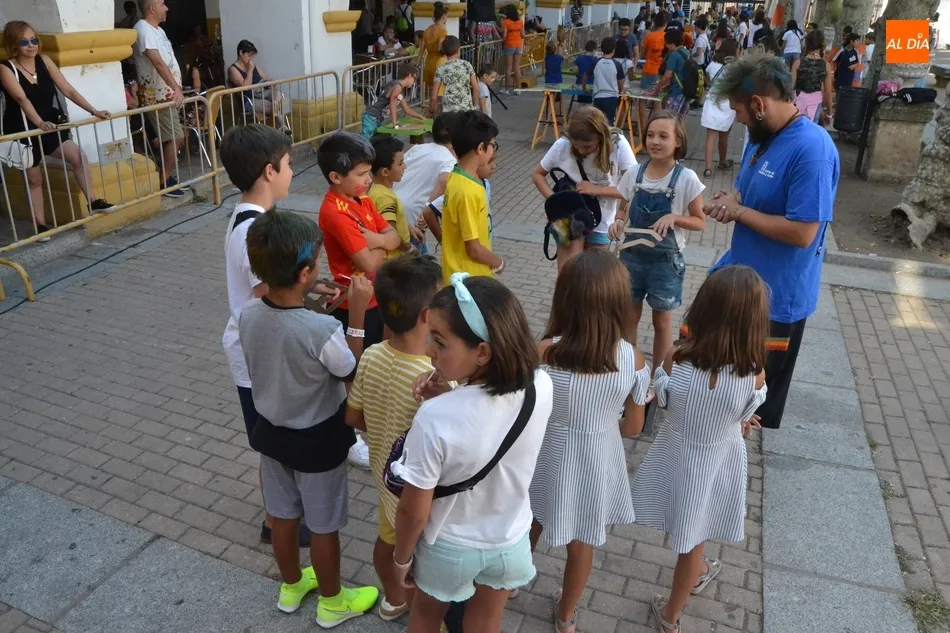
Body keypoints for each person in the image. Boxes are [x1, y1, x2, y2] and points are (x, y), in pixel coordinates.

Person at [239, 210, 379, 628]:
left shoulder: (248, 314)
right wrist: (356, 316)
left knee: (282, 516)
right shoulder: (321, 329)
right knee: (322, 525)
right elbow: (349, 369)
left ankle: (292, 584)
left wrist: (308, 299)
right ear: (304, 273)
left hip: (271, 435)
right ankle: (333, 602)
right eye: (316, 263)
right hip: (317, 442)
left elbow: (282, 331)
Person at [391, 274, 554, 633]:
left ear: (482, 352)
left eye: (440, 342)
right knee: (485, 621)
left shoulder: (435, 417)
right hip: (510, 539)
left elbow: (413, 512)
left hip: (450, 546)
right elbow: (489, 421)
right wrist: (452, 393)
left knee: (425, 618)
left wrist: (401, 560)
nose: (428, 351)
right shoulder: (541, 385)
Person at [704, 52, 838, 430]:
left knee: (750, 408)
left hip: (776, 301)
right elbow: (746, 193)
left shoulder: (811, 151)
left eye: (739, 112)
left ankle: (734, 459)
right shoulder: (760, 137)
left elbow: (803, 233)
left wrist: (740, 212)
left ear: (759, 105)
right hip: (741, 283)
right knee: (721, 388)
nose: (738, 120)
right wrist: (731, 202)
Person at [632, 265, 768, 633]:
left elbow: (664, 401)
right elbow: (744, 413)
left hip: (676, 454)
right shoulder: (753, 373)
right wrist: (740, 421)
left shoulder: (676, 358)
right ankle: (671, 615)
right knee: (693, 540)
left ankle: (694, 577)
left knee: (691, 528)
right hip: (718, 459)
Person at [220, 124, 331, 548]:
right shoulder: (252, 230)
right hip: (257, 352)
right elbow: (268, 293)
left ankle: (280, 514)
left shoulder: (253, 218)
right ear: (269, 171)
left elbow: (275, 286)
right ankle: (274, 521)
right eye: (287, 164)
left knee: (273, 437)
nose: (291, 171)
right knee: (270, 440)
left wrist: (313, 287)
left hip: (259, 345)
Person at [529, 251, 650, 633]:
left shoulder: (544, 351)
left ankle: (509, 582)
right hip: (598, 458)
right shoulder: (632, 358)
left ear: (564, 298)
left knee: (528, 519)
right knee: (582, 542)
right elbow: (633, 427)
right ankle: (566, 615)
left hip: (545, 453)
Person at [345, 254, 442, 623]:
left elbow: (353, 417)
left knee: (387, 543)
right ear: (427, 315)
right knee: (419, 560)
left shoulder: (372, 356)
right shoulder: (433, 377)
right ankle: (420, 614)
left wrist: (382, 424)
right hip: (418, 494)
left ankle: (392, 598)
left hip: (384, 480)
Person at [0, 20, 116, 236]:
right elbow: (21, 98)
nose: (31, 45)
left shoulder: (44, 61)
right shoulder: (6, 68)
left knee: (78, 156)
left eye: (34, 40)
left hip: (51, 124)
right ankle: (40, 225)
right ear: (13, 44)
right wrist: (39, 123)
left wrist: (94, 110)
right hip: (24, 129)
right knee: (34, 179)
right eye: (24, 42)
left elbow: (68, 90)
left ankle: (92, 201)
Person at [610, 111, 705, 372]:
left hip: (665, 262)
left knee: (661, 322)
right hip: (630, 258)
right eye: (650, 135)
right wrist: (618, 222)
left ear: (678, 141)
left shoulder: (687, 178)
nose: (655, 141)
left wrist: (675, 217)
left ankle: (658, 377)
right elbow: (622, 209)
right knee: (628, 318)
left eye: (663, 136)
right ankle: (627, 372)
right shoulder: (634, 173)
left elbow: (700, 221)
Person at [316, 132, 401, 349]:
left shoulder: (361, 198)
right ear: (336, 177)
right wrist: (384, 241)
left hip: (374, 294)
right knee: (357, 361)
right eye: (361, 174)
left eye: (368, 172)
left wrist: (374, 240)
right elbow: (369, 263)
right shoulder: (336, 213)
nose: (369, 179)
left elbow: (396, 236)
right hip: (353, 304)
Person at [531, 106, 635, 271]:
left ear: (601, 138)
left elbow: (633, 186)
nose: (580, 150)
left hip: (602, 222)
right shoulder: (563, 144)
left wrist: (597, 190)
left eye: (587, 146)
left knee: (593, 278)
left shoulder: (617, 144)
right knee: (567, 275)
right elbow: (537, 174)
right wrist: (555, 202)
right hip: (567, 219)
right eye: (576, 145)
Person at [133, 0, 189, 198]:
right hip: (158, 97)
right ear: (152, 8)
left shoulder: (158, 30)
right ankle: (165, 180)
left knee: (172, 137)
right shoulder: (143, 29)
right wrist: (175, 88)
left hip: (167, 95)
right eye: (163, 4)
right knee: (175, 137)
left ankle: (167, 176)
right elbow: (157, 62)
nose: (167, 8)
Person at [440, 110, 501, 284]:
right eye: (493, 145)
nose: (493, 151)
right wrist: (499, 262)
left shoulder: (457, 177)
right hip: (468, 280)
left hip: (463, 276)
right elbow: (473, 248)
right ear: (481, 148)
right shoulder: (467, 190)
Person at [423, 152, 496, 245]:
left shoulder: (485, 184)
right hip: (469, 250)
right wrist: (443, 241)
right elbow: (428, 212)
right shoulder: (464, 190)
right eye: (489, 162)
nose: (494, 166)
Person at [369, 135, 418, 257]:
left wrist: (408, 227)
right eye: (400, 164)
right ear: (385, 171)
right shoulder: (385, 198)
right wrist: (409, 249)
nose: (405, 167)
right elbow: (392, 234)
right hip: (393, 260)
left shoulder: (377, 189)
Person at [227, 40, 289, 132]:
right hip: (250, 100)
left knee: (280, 98)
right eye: (249, 56)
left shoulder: (254, 66)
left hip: (262, 93)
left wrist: (271, 82)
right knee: (281, 106)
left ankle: (281, 129)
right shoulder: (233, 69)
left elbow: (266, 77)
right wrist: (250, 70)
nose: (251, 59)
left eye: (252, 56)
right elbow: (246, 86)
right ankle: (282, 129)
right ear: (241, 53)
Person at [701, 38, 739, 177]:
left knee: (710, 137)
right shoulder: (735, 67)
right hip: (727, 103)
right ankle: (722, 161)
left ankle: (708, 169)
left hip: (712, 101)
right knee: (724, 136)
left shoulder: (713, 63)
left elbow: (706, 77)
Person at [360, 62, 423, 139]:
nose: (414, 82)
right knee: (365, 142)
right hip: (372, 116)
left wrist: (420, 116)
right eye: (415, 79)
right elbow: (392, 105)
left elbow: (406, 109)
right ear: (409, 76)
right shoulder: (397, 87)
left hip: (374, 117)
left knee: (374, 142)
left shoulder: (395, 85)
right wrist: (395, 125)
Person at [791, 30, 833, 124]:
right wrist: (829, 114)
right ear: (822, 44)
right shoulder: (826, 66)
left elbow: (790, 88)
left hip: (797, 104)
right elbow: (828, 93)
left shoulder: (797, 63)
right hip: (815, 105)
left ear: (807, 43)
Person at [430, 36, 478, 114]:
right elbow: (476, 88)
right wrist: (475, 106)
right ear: (458, 50)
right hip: (466, 110)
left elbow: (433, 96)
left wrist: (431, 109)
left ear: (444, 51)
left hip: (449, 112)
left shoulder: (441, 69)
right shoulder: (467, 65)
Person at [650, 29, 691, 117]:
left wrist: (656, 89)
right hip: (686, 91)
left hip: (676, 91)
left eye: (666, 43)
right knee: (680, 119)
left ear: (672, 43)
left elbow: (667, 76)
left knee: (670, 118)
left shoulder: (674, 55)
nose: (666, 46)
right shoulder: (686, 52)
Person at [639, 11, 668, 125]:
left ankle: (643, 127)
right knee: (657, 100)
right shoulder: (668, 37)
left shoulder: (649, 36)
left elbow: (642, 54)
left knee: (643, 99)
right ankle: (655, 126)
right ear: (666, 23)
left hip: (648, 69)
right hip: (661, 72)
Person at [589, 37, 624, 124]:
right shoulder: (617, 64)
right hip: (611, 97)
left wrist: (583, 87)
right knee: (609, 121)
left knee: (597, 122)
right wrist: (621, 91)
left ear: (601, 49)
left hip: (598, 96)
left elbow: (585, 75)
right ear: (614, 50)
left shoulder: (596, 62)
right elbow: (620, 82)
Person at [421, 2, 449, 89]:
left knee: (429, 92)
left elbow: (421, 50)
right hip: (438, 63)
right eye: (447, 16)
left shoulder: (427, 30)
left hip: (428, 62)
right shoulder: (443, 31)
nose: (447, 18)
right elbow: (439, 48)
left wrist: (417, 65)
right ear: (443, 16)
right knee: (438, 91)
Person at [500, 5, 525, 95]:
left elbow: (504, 36)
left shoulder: (506, 22)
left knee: (508, 67)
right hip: (518, 45)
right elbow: (523, 34)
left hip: (509, 45)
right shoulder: (520, 21)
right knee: (517, 67)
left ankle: (507, 89)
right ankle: (518, 89)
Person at [574, 40, 598, 104]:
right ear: (594, 50)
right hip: (590, 84)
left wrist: (578, 73)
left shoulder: (579, 58)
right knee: (588, 104)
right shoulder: (595, 59)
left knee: (581, 103)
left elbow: (575, 70)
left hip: (580, 83)